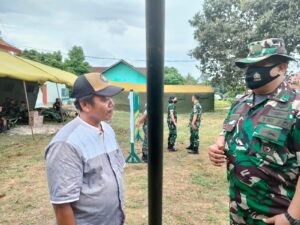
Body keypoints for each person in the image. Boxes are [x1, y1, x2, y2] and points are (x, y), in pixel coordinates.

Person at [208, 38, 300, 225]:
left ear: (281, 67)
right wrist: (216, 147)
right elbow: (224, 133)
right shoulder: (240, 103)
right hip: (239, 212)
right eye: (249, 65)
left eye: (259, 65)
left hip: (277, 216)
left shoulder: (296, 106)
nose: (251, 71)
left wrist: (292, 217)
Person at [45, 73, 125, 225]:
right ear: (85, 105)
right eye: (104, 99)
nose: (111, 103)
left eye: (111, 98)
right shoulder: (66, 145)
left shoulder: (107, 130)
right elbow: (62, 206)